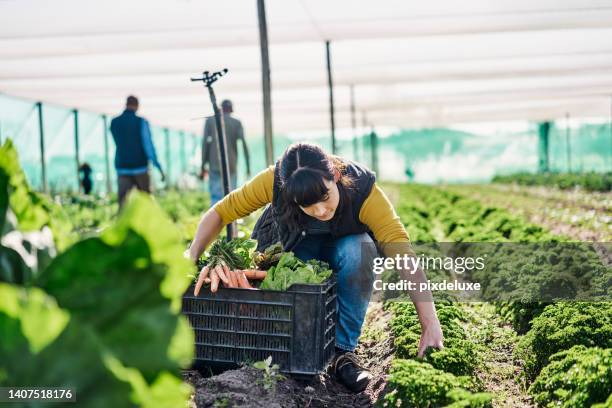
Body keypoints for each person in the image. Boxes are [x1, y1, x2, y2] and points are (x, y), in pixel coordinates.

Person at [188, 143, 444, 393]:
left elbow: (403, 254)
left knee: (360, 248)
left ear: (333, 174)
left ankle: (342, 353)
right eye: (307, 205)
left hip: (343, 249)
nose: (320, 210)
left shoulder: (364, 190)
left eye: (325, 197)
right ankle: (289, 346)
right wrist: (191, 258)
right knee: (290, 280)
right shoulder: (274, 180)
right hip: (296, 250)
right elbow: (221, 212)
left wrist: (429, 321)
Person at [110, 95, 165, 206]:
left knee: (123, 203)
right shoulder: (141, 122)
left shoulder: (114, 122)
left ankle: (124, 222)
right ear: (137, 106)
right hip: (140, 167)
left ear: (126, 104)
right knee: (146, 201)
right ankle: (147, 223)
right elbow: (148, 145)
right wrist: (158, 166)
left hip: (122, 167)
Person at [201, 100, 251, 205]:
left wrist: (203, 166)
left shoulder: (210, 121)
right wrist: (248, 166)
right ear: (231, 109)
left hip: (214, 164)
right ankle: (231, 221)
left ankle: (215, 220)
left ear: (221, 109)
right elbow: (244, 144)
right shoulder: (236, 123)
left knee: (215, 196)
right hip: (230, 165)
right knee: (230, 196)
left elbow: (205, 144)